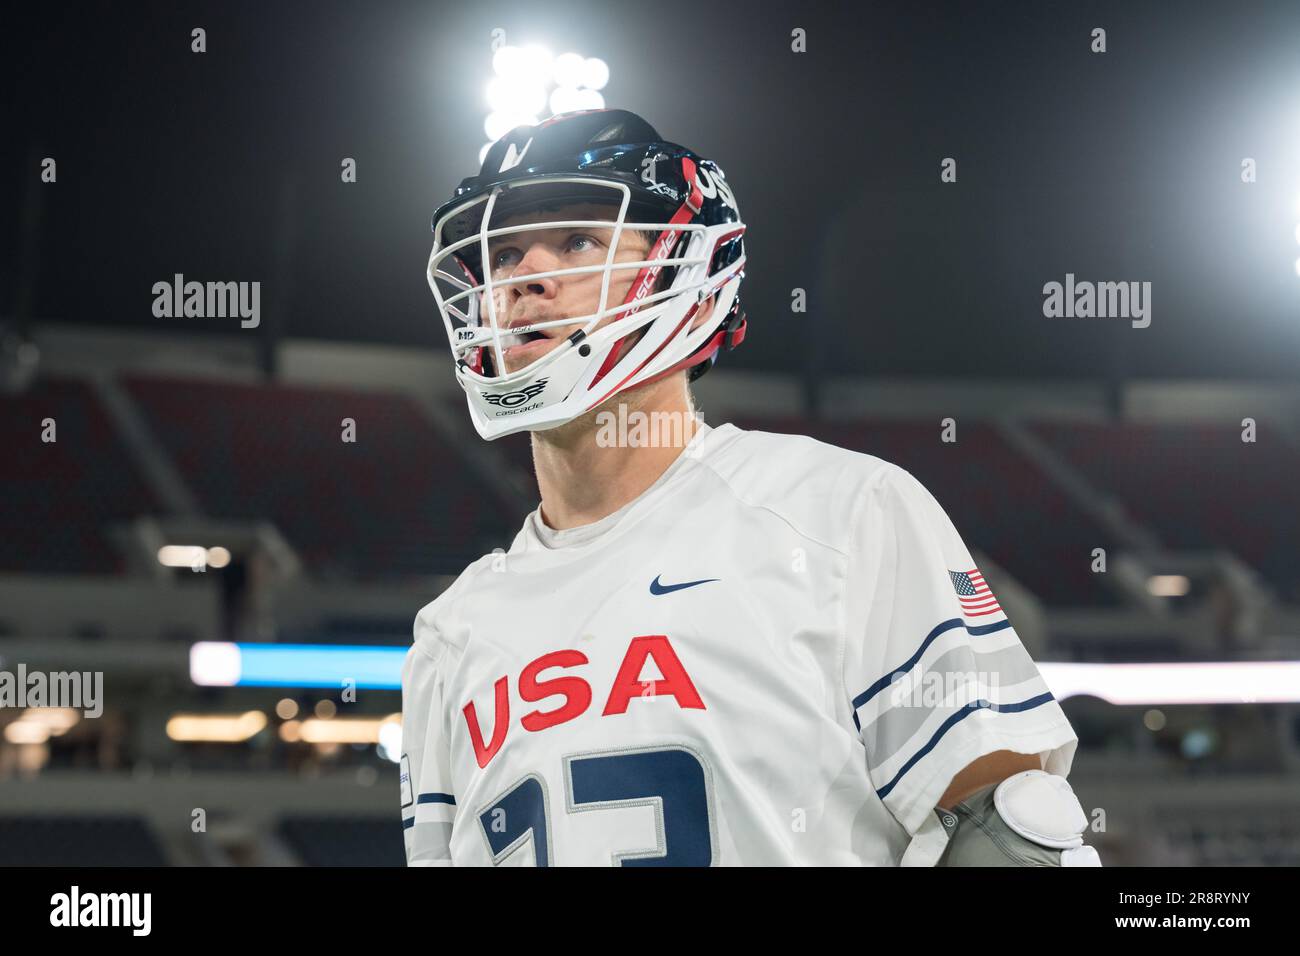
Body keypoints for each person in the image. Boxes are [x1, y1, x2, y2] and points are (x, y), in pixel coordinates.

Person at [401, 109, 1099, 866]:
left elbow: (1009, 829)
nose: (524, 279)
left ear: (686, 274)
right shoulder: (451, 633)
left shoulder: (840, 516)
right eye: (501, 256)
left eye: (577, 240)